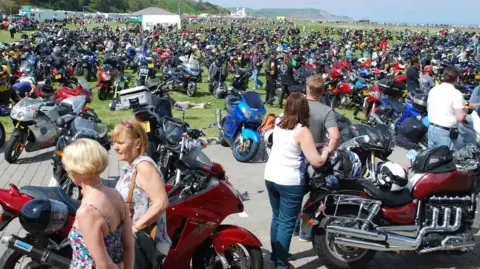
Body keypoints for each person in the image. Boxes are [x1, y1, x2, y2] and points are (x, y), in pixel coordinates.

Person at [264, 92, 330, 269]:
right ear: (304, 109)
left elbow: (291, 145)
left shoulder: (278, 121)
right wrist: (326, 150)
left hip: (271, 176)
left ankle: (275, 256)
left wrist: (314, 146)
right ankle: (280, 265)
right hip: (290, 181)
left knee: (277, 218)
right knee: (286, 223)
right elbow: (317, 161)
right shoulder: (302, 130)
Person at [63, 139, 134, 269]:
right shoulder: (116, 195)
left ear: (77, 170)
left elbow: (105, 265)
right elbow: (129, 245)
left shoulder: (87, 211)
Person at [113, 120, 171, 258]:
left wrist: (135, 228)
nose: (115, 147)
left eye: (120, 143)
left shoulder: (144, 167)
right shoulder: (132, 165)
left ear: (138, 143)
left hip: (144, 244)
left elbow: (161, 202)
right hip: (135, 242)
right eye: (114, 142)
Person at [427, 66, 466, 150]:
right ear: (457, 78)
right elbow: (460, 117)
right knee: (445, 160)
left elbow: (428, 107)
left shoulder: (434, 90)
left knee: (431, 159)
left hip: (431, 128)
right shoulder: (456, 94)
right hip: (445, 132)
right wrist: (465, 110)